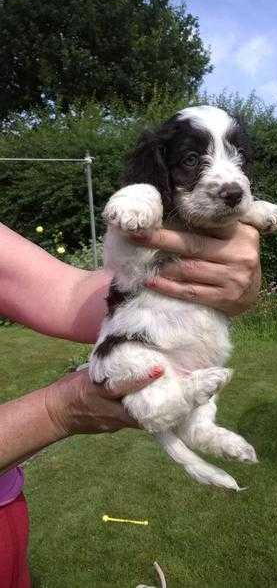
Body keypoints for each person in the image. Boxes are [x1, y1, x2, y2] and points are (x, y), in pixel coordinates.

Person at [0, 221, 261, 587]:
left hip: (7, 509)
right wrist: (55, 411)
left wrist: (208, 278)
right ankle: (184, 412)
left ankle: (199, 427)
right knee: (160, 385)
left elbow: (70, 294)